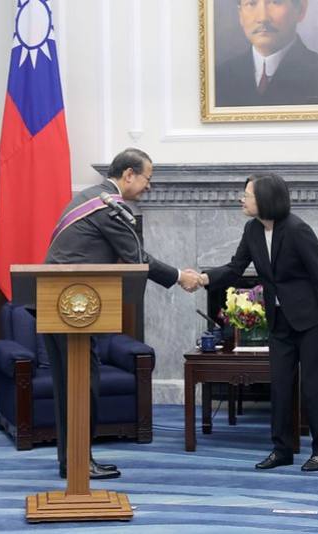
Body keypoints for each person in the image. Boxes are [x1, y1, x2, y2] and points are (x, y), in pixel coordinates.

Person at [45, 147, 201, 480]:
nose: (149, 186)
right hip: (70, 305)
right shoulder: (107, 207)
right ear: (129, 174)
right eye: (147, 178)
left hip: (63, 303)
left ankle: (73, 461)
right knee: (82, 386)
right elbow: (137, 258)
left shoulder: (92, 197)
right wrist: (179, 277)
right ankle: (78, 462)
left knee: (70, 386)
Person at [199, 173, 318, 472]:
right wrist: (204, 278)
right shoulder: (252, 230)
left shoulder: (297, 229)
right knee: (280, 386)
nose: (241, 199)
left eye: (247, 195)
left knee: (314, 387)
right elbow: (235, 268)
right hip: (278, 321)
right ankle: (282, 449)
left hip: (309, 320)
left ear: (265, 199)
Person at [215, 0, 318, 107]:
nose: (263, 18)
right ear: (240, 14)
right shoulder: (220, 77)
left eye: (275, 2)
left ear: (301, 10)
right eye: (251, 3)